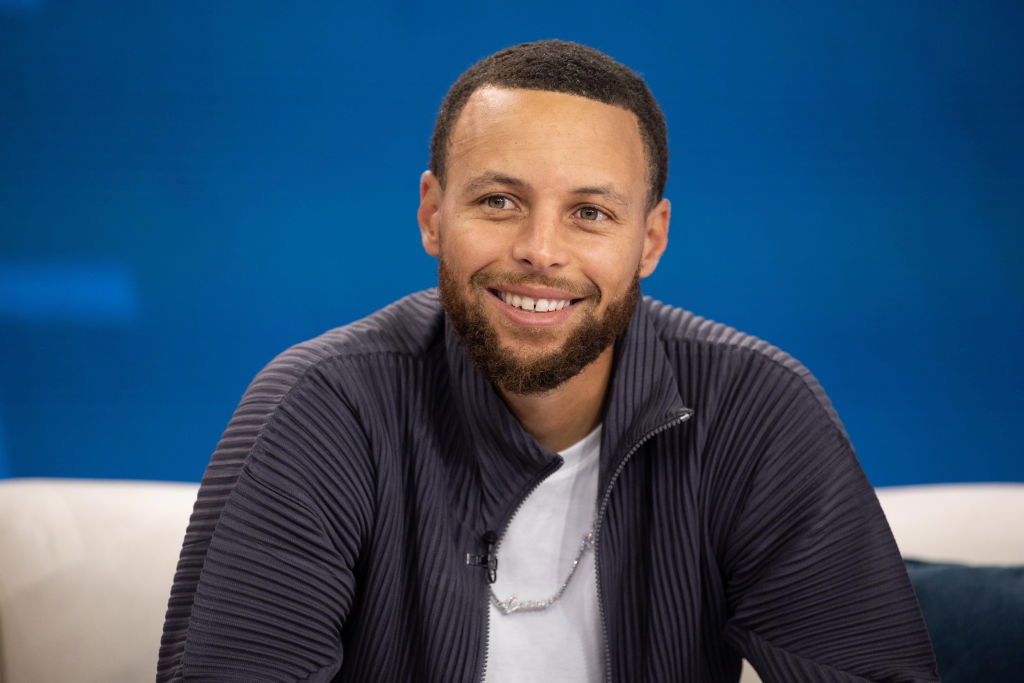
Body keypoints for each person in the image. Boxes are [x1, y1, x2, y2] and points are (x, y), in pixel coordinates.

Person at [157, 40, 938, 682]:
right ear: (432, 214)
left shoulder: (754, 410)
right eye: (499, 201)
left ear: (650, 240)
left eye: (589, 213)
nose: (540, 250)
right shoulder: (320, 406)